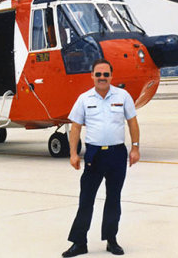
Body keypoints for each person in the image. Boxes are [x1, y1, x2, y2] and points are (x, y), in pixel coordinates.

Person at [62, 58, 140, 257]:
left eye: (106, 74)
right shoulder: (84, 99)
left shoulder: (123, 96)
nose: (102, 78)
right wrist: (73, 153)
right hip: (94, 155)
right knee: (86, 199)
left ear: (111, 76)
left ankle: (111, 240)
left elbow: (132, 122)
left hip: (117, 154)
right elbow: (75, 127)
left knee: (114, 199)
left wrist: (135, 148)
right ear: (92, 76)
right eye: (98, 74)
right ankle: (79, 243)